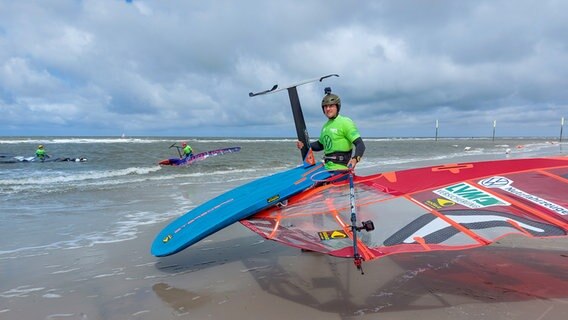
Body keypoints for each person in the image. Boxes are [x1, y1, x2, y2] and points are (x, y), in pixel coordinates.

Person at [296, 90, 365, 170]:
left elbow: (360, 144)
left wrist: (355, 159)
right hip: (327, 169)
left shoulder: (345, 122)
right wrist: (305, 145)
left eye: (331, 106)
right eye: (325, 106)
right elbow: (320, 145)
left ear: (337, 107)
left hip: (341, 170)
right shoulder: (325, 126)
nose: (328, 109)